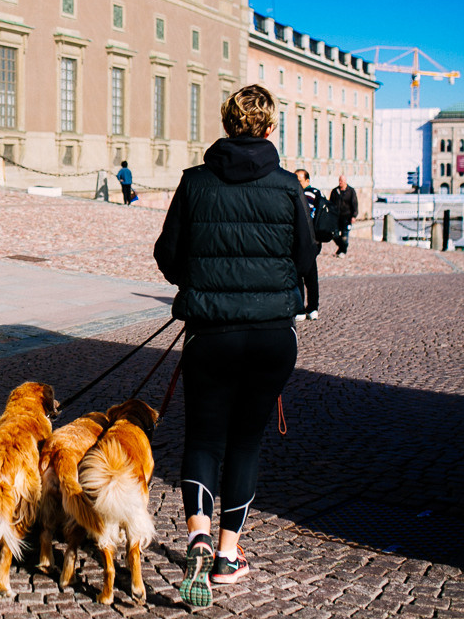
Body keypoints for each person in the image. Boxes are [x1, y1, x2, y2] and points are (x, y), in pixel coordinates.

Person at [153, 85, 317, 608]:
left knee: (203, 436)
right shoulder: (288, 186)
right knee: (246, 440)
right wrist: (295, 296)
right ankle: (228, 555)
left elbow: (167, 252)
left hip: (211, 332)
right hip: (272, 336)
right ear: (271, 130)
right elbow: (306, 256)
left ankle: (197, 532)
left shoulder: (195, 182)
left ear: (227, 126)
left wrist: (195, 284)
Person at [294, 169, 322, 320]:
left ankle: (301, 309)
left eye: (299, 180)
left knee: (299, 274)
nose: (297, 182)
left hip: (305, 241)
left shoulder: (307, 195)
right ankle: (312, 308)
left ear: (307, 181)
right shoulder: (317, 193)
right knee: (311, 275)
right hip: (313, 242)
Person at [329, 174, 358, 258]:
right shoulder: (335, 191)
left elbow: (354, 203)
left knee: (344, 236)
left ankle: (343, 251)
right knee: (334, 234)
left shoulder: (351, 191)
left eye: (342, 180)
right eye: (339, 180)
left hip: (347, 217)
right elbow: (330, 203)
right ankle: (341, 248)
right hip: (336, 217)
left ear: (345, 181)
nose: (340, 182)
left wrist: (354, 216)